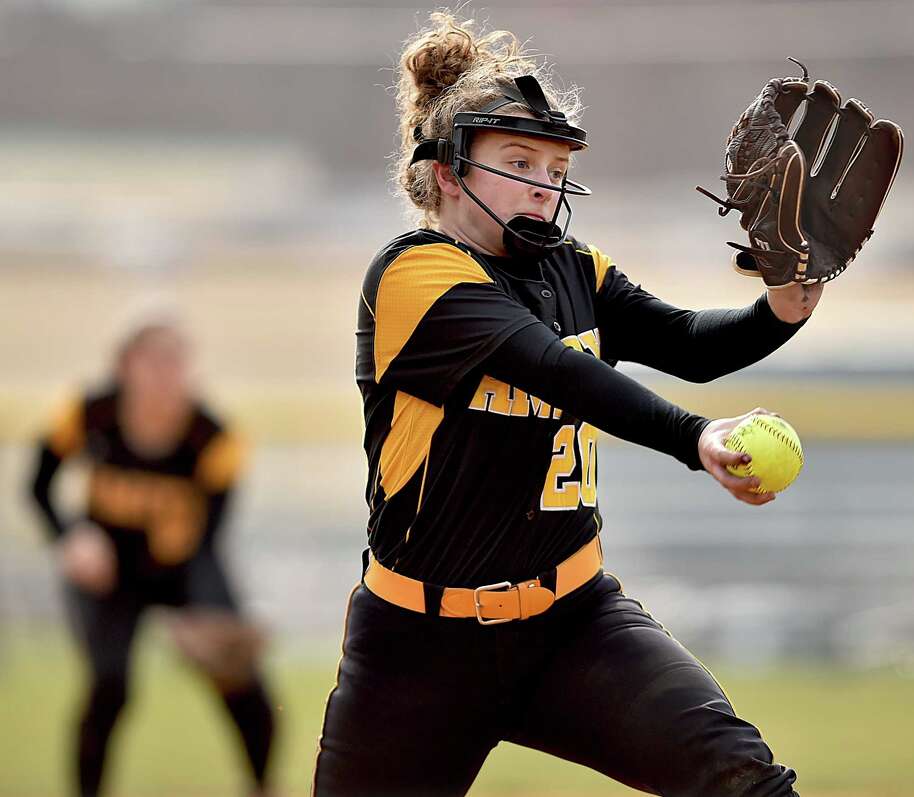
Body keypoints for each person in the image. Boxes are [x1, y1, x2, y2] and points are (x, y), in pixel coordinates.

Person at [312, 12, 822, 797]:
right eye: (518, 161)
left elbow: (688, 343)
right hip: (419, 648)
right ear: (447, 172)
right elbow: (557, 370)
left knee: (742, 778)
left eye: (554, 167)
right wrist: (694, 437)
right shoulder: (416, 274)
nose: (543, 184)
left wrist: (781, 308)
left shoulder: (575, 269)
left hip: (574, 624)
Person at [29, 312, 276, 797]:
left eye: (177, 362)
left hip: (183, 569)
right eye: (154, 362)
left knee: (242, 681)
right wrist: (69, 537)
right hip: (107, 574)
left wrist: (202, 613)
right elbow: (37, 484)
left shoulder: (214, 438)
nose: (167, 375)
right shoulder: (90, 414)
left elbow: (210, 538)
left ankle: (262, 785)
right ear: (124, 367)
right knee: (109, 685)